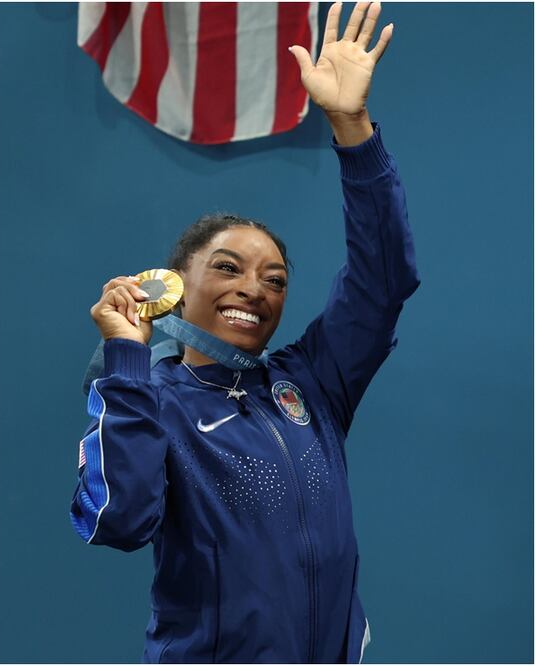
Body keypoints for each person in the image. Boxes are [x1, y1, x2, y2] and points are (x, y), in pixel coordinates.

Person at [71, 3, 418, 663]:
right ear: (171, 282)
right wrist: (127, 359)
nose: (254, 288)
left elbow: (385, 279)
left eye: (276, 279)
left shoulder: (311, 380)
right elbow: (120, 518)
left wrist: (351, 125)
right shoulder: (151, 398)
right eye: (228, 268)